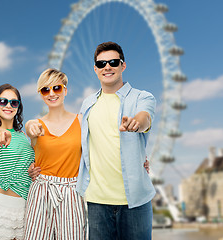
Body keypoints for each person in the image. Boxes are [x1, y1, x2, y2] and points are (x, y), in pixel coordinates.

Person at [76, 41, 156, 240]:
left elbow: (145, 118)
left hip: (135, 200)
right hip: (97, 201)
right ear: (96, 69)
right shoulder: (87, 104)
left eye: (113, 62)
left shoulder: (142, 97)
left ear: (123, 65)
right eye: (102, 64)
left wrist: (135, 123)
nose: (107, 67)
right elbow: (77, 144)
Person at [23, 69, 87, 240]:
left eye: (56, 88)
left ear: (65, 90)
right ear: (41, 94)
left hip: (72, 193)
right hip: (41, 192)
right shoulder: (36, 124)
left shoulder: (81, 121)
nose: (51, 93)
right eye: (45, 89)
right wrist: (31, 128)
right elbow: (29, 128)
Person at [0, 84, 34, 240]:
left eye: (14, 102)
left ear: (18, 106)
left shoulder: (24, 137)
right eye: (3, 101)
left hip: (25, 208)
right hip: (0, 207)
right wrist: (0, 135)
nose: (9, 106)